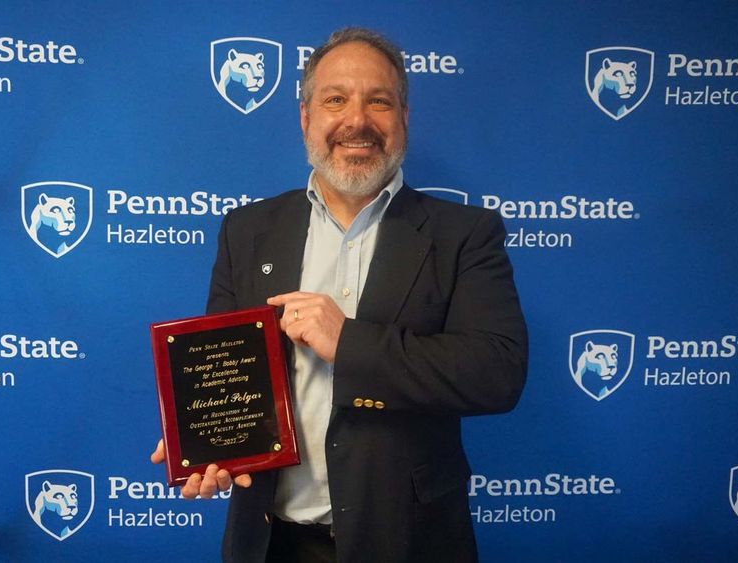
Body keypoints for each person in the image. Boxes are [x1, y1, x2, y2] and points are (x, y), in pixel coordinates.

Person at [152, 27, 527, 563]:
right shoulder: (247, 229)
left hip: (410, 543)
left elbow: (497, 373)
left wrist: (348, 342)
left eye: (379, 101)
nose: (357, 121)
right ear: (305, 117)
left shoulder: (462, 234)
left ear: (403, 118)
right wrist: (209, 443)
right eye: (335, 100)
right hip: (267, 543)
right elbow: (228, 369)